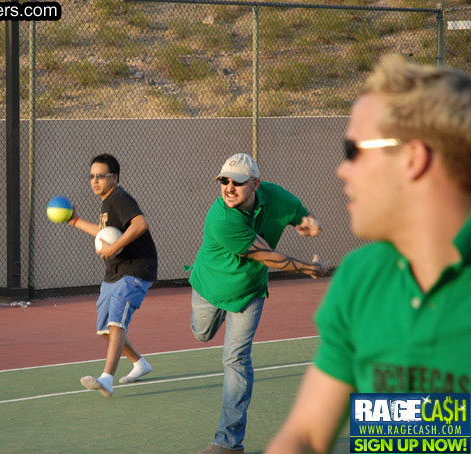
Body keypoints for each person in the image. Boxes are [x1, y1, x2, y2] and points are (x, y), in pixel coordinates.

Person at [266, 54, 471, 453]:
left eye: (353, 150)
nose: (342, 170)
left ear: (413, 157)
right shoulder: (361, 278)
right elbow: (306, 433)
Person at [187, 152, 328, 454]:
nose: (228, 188)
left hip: (249, 293)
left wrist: (309, 222)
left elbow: (300, 213)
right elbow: (270, 258)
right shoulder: (220, 219)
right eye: (223, 181)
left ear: (255, 184)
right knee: (201, 333)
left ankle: (228, 443)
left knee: (235, 360)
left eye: (236, 182)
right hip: (210, 287)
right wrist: (309, 268)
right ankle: (211, 318)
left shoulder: (274, 195)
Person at [67, 153, 158, 397]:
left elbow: (140, 225)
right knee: (105, 329)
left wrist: (113, 248)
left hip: (136, 268)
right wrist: (75, 220)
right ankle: (140, 363)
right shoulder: (107, 203)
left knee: (117, 321)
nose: (94, 181)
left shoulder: (119, 198)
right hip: (116, 270)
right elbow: (105, 232)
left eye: (101, 176)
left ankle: (107, 378)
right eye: (91, 176)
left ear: (114, 177)